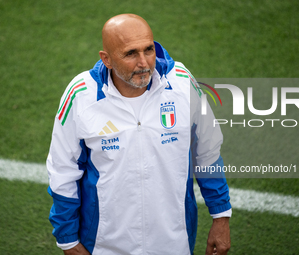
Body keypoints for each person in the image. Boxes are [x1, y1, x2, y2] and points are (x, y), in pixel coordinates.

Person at [47, 14, 231, 255]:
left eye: (148, 49)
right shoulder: (81, 95)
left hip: (174, 243)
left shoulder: (182, 83)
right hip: (105, 246)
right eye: (131, 53)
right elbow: (63, 169)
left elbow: (207, 152)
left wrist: (221, 217)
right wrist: (68, 240)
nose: (144, 63)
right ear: (107, 59)